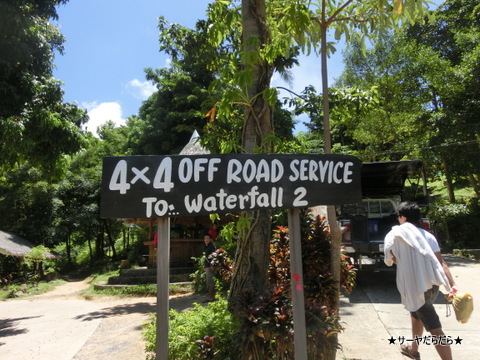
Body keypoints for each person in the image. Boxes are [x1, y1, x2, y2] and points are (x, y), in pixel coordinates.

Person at [384, 201, 457, 360]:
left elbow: (392, 259)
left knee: (435, 328)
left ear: (403, 217)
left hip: (416, 288)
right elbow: (440, 262)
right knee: (415, 315)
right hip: (431, 285)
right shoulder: (428, 236)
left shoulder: (396, 235)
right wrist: (453, 284)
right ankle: (413, 350)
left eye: (399, 217)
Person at [203, 233, 216, 302]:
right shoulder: (206, 246)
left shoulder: (211, 247)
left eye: (208, 238)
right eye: (205, 238)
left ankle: (211, 298)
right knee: (209, 282)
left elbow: (214, 256)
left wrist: (212, 265)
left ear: (210, 239)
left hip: (210, 266)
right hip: (207, 266)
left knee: (210, 282)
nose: (206, 240)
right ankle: (211, 297)